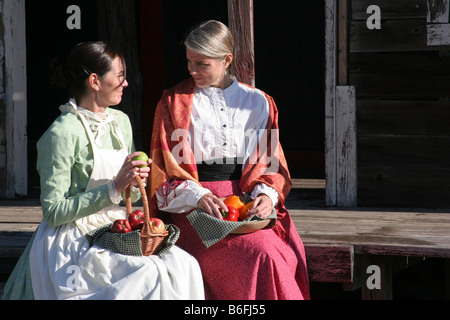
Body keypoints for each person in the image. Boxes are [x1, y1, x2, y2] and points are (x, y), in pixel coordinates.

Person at [2, 41, 204, 300]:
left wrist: (134, 181)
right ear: (95, 81)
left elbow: (126, 191)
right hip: (75, 236)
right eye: (120, 76)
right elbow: (53, 212)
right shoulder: (62, 133)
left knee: (185, 265)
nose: (126, 83)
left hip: (119, 227)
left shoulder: (121, 121)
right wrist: (114, 187)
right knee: (147, 274)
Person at [149, 21, 310, 300]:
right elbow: (166, 172)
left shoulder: (258, 102)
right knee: (261, 254)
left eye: (202, 63)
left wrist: (267, 197)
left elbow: (270, 164)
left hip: (246, 204)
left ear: (226, 60)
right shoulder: (174, 102)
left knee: (276, 252)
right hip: (194, 209)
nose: (192, 70)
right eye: (189, 61)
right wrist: (197, 196)